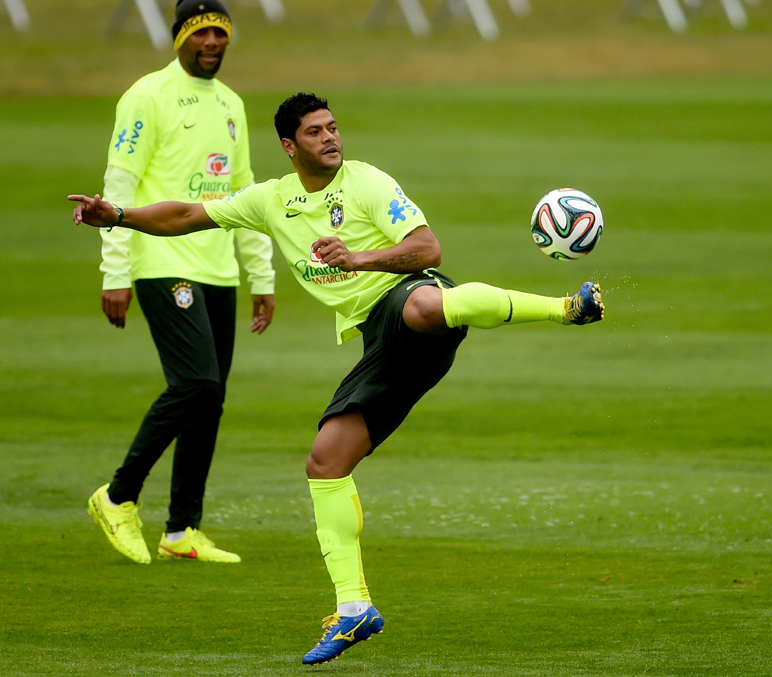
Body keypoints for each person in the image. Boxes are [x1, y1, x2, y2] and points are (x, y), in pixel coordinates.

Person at [70, 93, 604, 662]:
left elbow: (428, 247)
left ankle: (569, 306)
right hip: (383, 344)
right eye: (315, 131)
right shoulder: (271, 199)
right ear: (288, 145)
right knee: (325, 461)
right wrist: (119, 217)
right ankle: (354, 609)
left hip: (407, 301)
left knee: (423, 306)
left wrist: (358, 259)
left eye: (333, 127)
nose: (330, 137)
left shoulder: (367, 182)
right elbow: (186, 215)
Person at [85, 0, 276, 566]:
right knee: (195, 383)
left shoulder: (232, 105)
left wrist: (260, 275)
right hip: (161, 261)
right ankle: (117, 496)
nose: (213, 42)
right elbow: (117, 184)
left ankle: (181, 530)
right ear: (180, 38)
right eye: (201, 33)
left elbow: (245, 194)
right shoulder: (147, 96)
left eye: (221, 33)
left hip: (218, 269)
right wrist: (115, 272)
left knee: (210, 398)